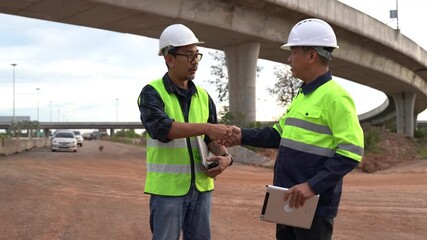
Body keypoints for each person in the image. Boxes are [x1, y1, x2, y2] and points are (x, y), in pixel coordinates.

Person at [225, 18, 364, 240]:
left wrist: (312, 186)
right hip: (287, 198)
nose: (289, 58)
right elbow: (277, 134)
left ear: (311, 56)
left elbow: (351, 152)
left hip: (313, 204)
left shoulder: (336, 97)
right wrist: (241, 135)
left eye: (294, 52)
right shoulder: (303, 95)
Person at [137, 23, 234, 240]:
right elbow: (164, 129)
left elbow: (211, 139)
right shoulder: (152, 93)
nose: (194, 62)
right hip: (167, 191)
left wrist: (227, 158)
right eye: (188, 55)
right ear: (169, 58)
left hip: (202, 188)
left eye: (197, 55)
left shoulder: (203, 96)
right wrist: (208, 127)